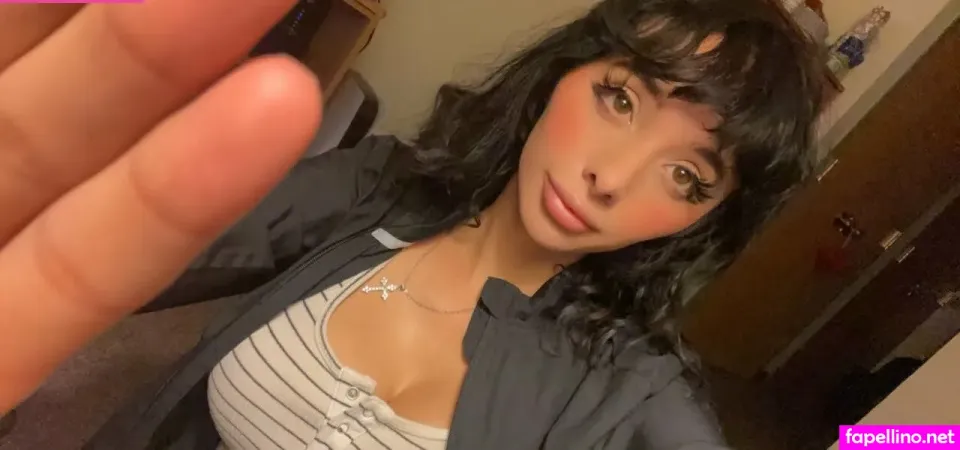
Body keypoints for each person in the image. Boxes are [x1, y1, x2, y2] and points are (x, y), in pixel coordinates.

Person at [0, 0, 823, 448]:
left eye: (685, 176)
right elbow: (141, 245)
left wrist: (891, 439)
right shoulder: (382, 190)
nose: (609, 178)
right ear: (564, 74)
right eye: (620, 99)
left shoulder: (624, 392)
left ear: (702, 219)